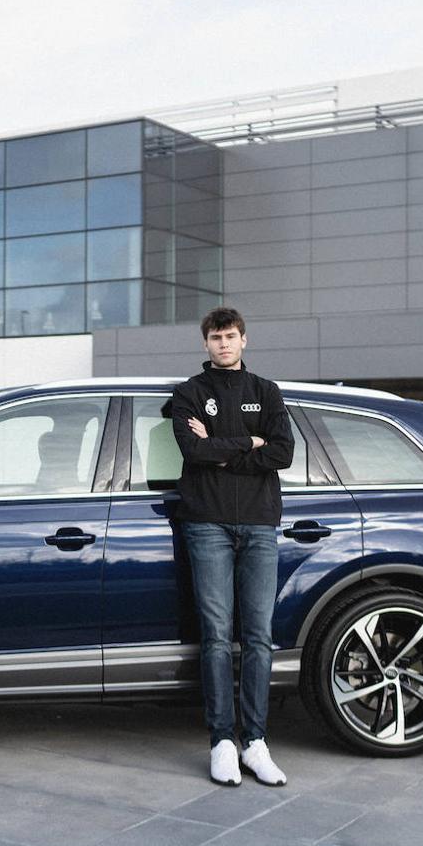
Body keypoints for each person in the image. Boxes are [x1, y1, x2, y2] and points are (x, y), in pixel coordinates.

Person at [171, 307, 294, 787]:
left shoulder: (266, 391)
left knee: (259, 636)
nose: (223, 344)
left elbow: (282, 453)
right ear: (205, 344)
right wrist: (250, 443)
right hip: (206, 524)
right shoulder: (188, 394)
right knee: (217, 635)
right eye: (215, 337)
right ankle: (222, 741)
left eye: (230, 336)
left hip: (260, 524)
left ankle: (256, 743)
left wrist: (222, 443)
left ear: (245, 340)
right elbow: (193, 452)